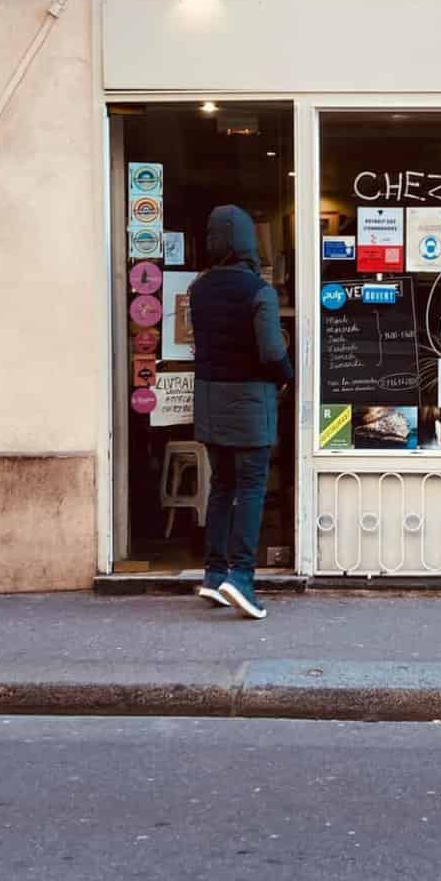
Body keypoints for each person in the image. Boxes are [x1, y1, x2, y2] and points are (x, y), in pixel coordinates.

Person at [190, 206, 292, 619]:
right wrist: (286, 375)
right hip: (249, 402)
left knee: (222, 488)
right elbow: (270, 349)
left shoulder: (199, 288)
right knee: (251, 487)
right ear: (248, 241)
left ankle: (214, 576)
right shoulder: (258, 291)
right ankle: (243, 577)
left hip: (210, 400)